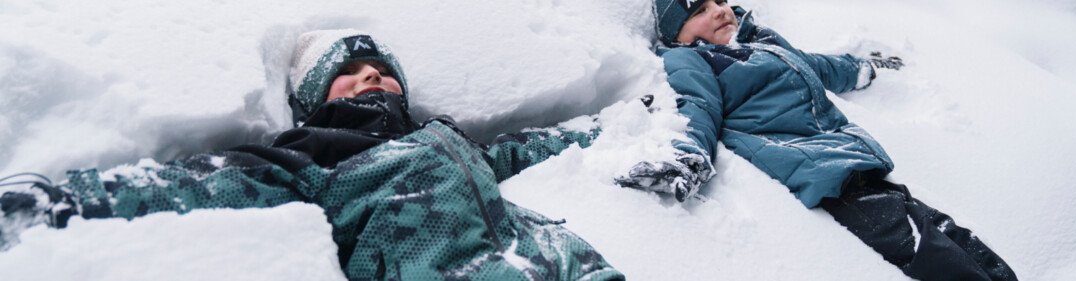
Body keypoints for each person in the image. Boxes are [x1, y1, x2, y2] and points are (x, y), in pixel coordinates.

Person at [0, 29, 627, 281]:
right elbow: (201, 184)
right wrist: (56, 203)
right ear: (312, 96)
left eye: (381, 70)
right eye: (347, 71)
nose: (369, 78)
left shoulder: (445, 139)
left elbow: (531, 148)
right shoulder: (312, 153)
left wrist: (624, 122)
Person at [620, 1, 1017, 280]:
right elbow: (697, 107)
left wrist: (863, 68)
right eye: (700, 9)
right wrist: (687, 157)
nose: (719, 10)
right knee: (927, 251)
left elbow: (817, 66)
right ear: (679, 35)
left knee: (949, 232)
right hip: (819, 173)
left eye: (720, 0)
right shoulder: (695, 60)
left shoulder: (764, 44)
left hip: (851, 159)